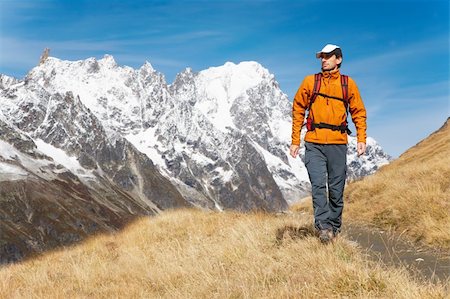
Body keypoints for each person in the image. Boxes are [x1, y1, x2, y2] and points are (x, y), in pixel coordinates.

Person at [290, 44, 367, 243]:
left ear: (338, 59)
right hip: (313, 142)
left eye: (328, 56)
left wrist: (361, 138)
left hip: (338, 143)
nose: (324, 60)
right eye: (322, 57)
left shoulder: (347, 84)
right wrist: (295, 140)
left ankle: (334, 227)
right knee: (318, 186)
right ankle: (323, 228)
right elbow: (298, 108)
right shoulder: (310, 82)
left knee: (336, 189)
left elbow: (358, 111)